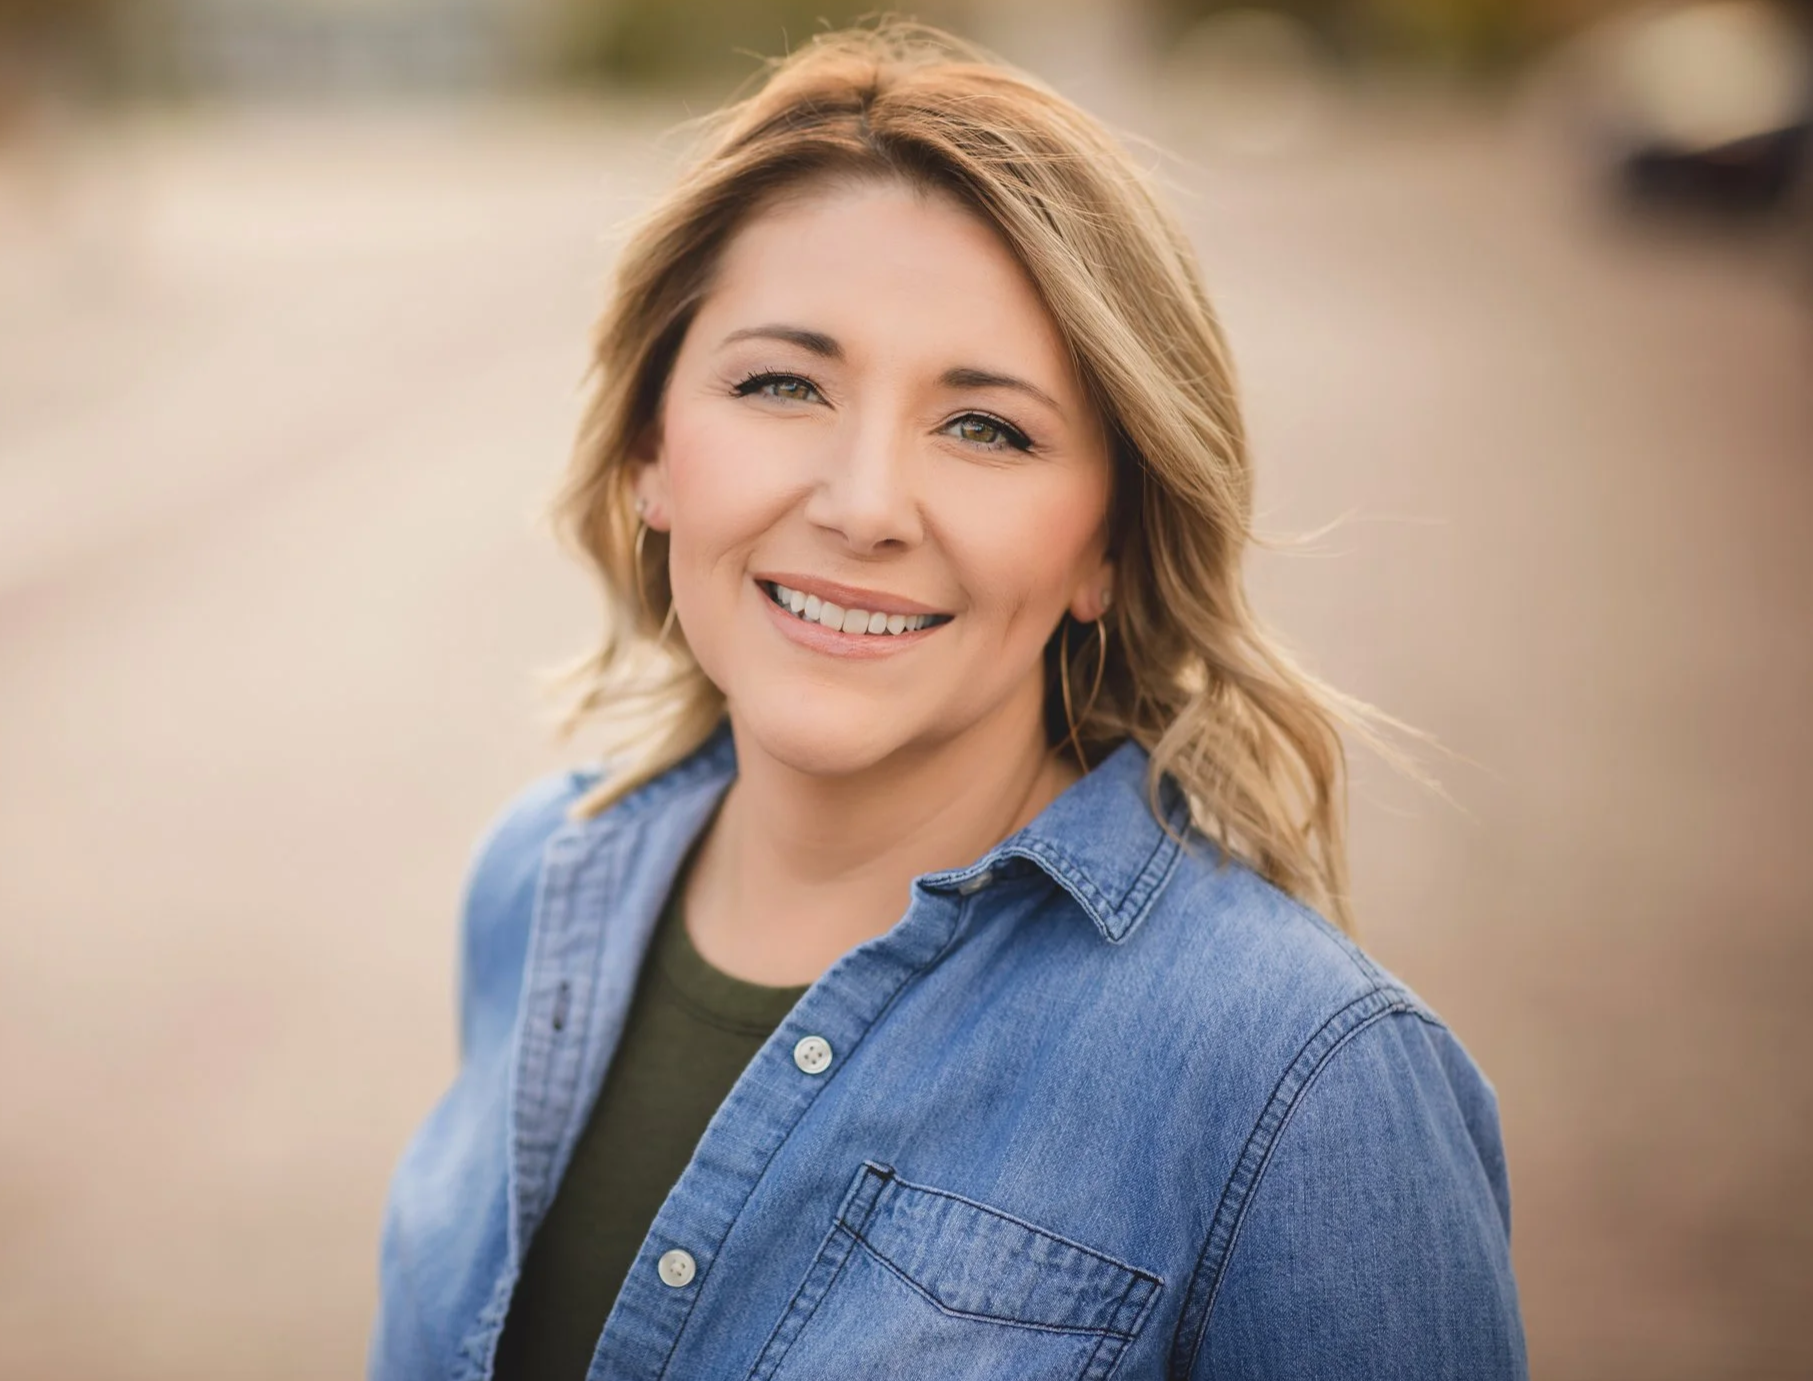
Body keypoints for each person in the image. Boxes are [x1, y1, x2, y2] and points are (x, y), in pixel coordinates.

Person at [370, 20, 1526, 1381]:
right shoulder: (535, 881)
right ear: (650, 453)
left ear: (1105, 540)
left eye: (986, 426)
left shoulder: (1304, 1084)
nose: (862, 507)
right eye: (780, 384)